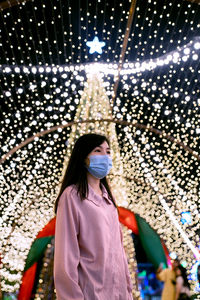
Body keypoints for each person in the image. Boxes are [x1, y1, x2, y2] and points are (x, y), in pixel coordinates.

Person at [54, 133, 133, 300]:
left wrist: (127, 292)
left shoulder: (109, 201)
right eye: (98, 150)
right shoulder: (71, 197)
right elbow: (65, 257)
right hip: (89, 294)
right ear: (83, 158)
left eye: (108, 151)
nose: (105, 156)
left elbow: (119, 253)